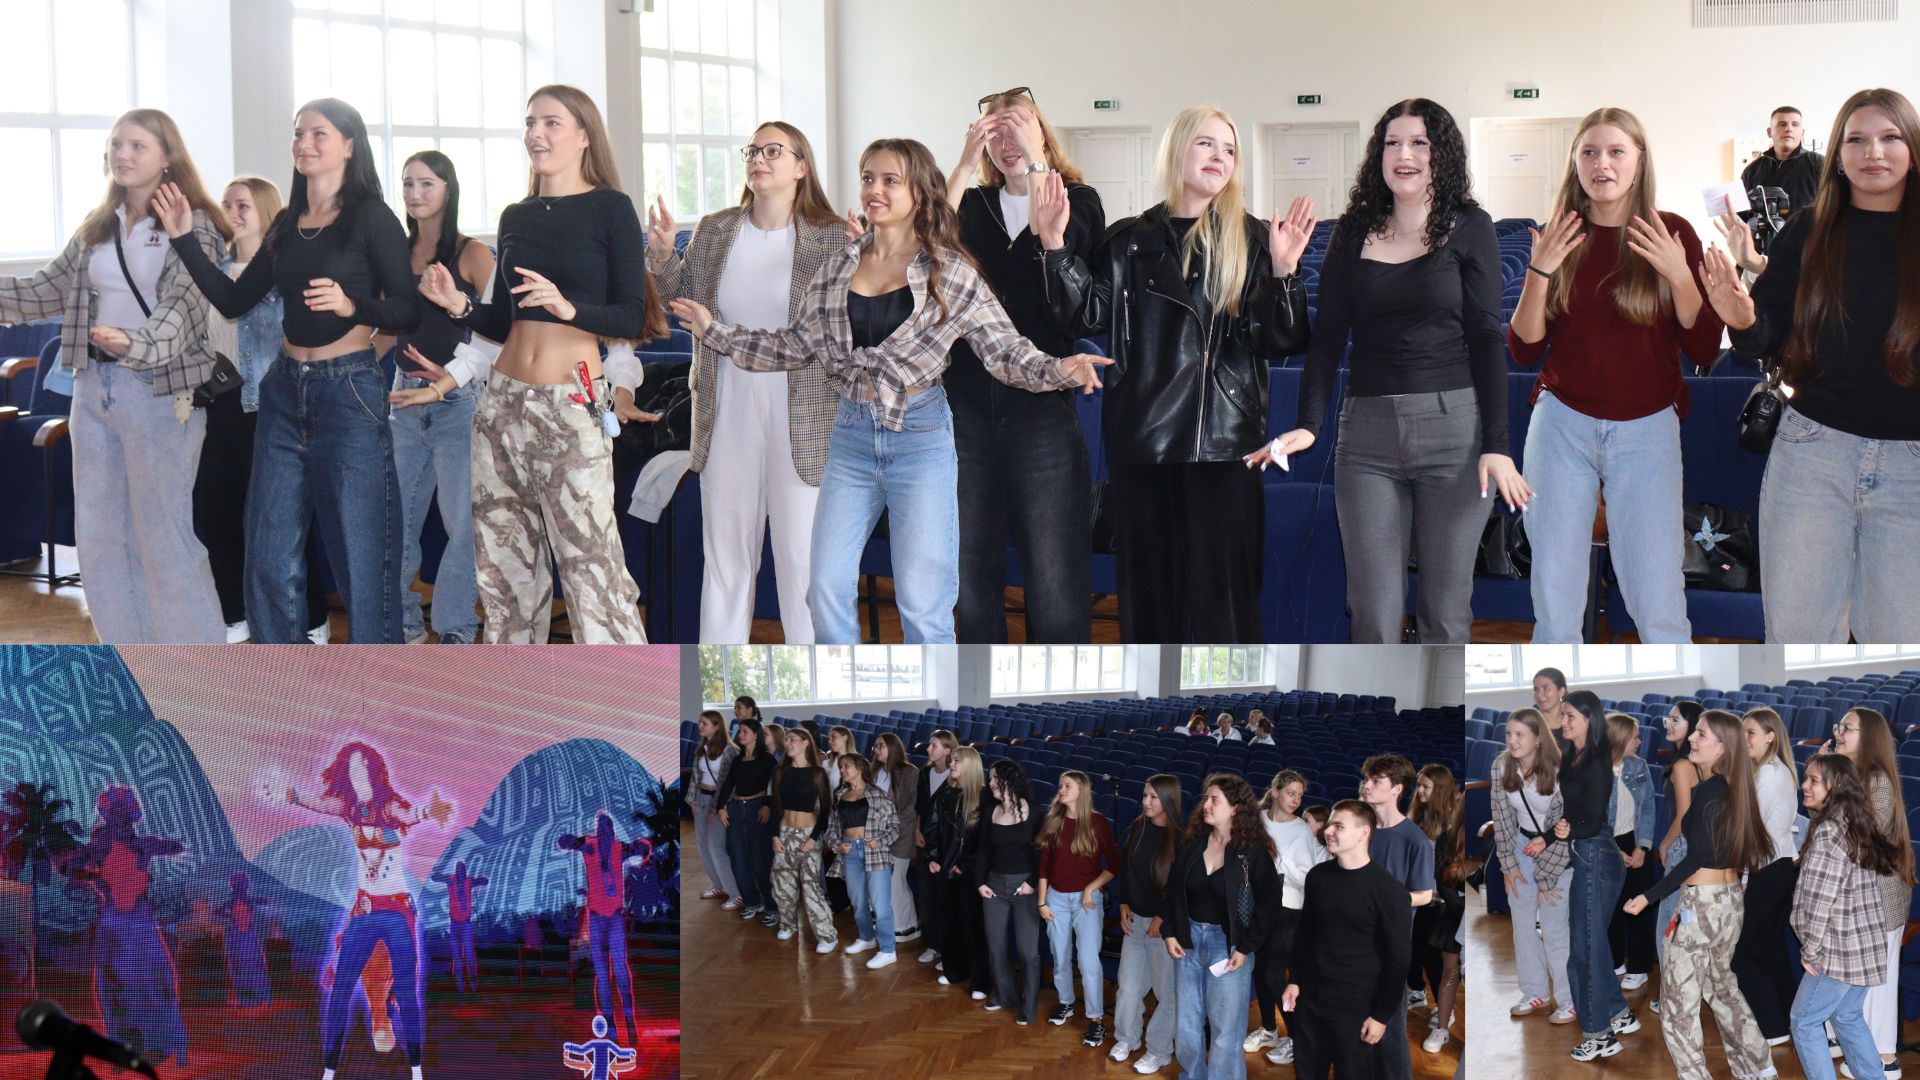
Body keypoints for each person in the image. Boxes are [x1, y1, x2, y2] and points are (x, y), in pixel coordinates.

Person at [671, 139, 1110, 643]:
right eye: (867, 178)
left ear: (919, 193)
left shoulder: (951, 271)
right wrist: (716, 332)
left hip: (920, 437)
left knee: (923, 604)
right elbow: (793, 345)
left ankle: (935, 694)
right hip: (851, 437)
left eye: (889, 180)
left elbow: (1005, 353)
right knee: (824, 589)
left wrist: (1060, 369)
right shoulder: (837, 268)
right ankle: (846, 686)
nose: (874, 190)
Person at [1041, 105, 1314, 642]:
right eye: (1206, 144)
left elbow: (1278, 341)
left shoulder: (1253, 239)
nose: (1220, 157)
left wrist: (1284, 273)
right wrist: (1054, 245)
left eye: (1229, 150)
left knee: (1224, 607)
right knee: (1152, 609)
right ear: (1177, 150)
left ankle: (1231, 693)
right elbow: (1082, 316)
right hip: (1145, 443)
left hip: (1225, 444)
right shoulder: (1128, 241)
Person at [158, 98, 420, 643]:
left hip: (349, 391)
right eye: (299, 133)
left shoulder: (372, 217)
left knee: (362, 556)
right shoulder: (286, 222)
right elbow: (234, 300)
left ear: (349, 145)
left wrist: (354, 306)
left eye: (319, 133)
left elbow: (407, 310)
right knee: (270, 555)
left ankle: (381, 680)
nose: (304, 143)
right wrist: (184, 239)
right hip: (283, 390)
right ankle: (287, 674)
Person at [416, 85, 662, 643]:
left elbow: (630, 315)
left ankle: (622, 690)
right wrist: (458, 305)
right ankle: (517, 690)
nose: (536, 134)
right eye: (531, 122)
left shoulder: (611, 208)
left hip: (571, 403)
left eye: (552, 123)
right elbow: (505, 320)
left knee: (593, 570)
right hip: (501, 404)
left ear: (583, 136)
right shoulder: (516, 216)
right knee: (505, 577)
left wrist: (570, 308)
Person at [1269, 98, 1516, 643]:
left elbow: (1485, 337)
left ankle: (1439, 701)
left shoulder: (1470, 226)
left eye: (1419, 143)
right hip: (1367, 436)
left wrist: (1497, 445)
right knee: (1372, 612)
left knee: (1444, 611)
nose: (1404, 154)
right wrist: (1309, 422)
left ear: (1441, 154)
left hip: (1453, 434)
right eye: (1392, 143)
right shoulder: (1354, 230)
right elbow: (1328, 336)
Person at [0, 109, 232, 644]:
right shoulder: (98, 225)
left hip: (160, 390)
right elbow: (45, 290)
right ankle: (125, 659)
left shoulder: (193, 222)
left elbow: (185, 305)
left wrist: (136, 344)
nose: (121, 155)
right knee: (100, 538)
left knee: (164, 538)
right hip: (93, 389)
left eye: (136, 145)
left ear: (167, 155)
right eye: (115, 145)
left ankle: (198, 667)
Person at [1704, 88, 1920, 643]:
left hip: (1912, 466)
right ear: (1838, 155)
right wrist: (1742, 318)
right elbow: (1769, 334)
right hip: (1813, 452)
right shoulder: (1808, 228)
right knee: (1798, 635)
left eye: (1890, 137)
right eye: (1857, 139)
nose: (1874, 152)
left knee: (1899, 642)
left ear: (1913, 148)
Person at [1508, 107, 1723, 644]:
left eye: (1615, 151)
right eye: (1589, 152)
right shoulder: (1561, 233)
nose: (1601, 164)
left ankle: (1675, 692)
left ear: (1639, 161)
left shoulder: (1672, 232)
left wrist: (1679, 274)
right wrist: (1539, 271)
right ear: (1575, 162)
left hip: (1647, 428)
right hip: (1562, 424)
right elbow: (1523, 348)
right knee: (1555, 595)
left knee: (1657, 594)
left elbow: (1703, 348)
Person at [645, 121, 845, 643]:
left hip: (803, 409)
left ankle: (814, 676)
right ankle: (719, 680)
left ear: (801, 167)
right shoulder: (716, 229)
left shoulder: (832, 236)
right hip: (727, 400)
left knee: (802, 560)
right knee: (726, 558)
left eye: (773, 150)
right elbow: (680, 300)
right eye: (753, 150)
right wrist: (663, 257)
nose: (759, 158)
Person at [943, 87, 1104, 642]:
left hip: (1041, 406)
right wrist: (964, 164)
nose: (1006, 142)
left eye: (1018, 128)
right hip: (966, 404)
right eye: (995, 134)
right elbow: (925, 246)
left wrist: (1037, 163)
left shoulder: (1079, 199)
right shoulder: (971, 205)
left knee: (1054, 578)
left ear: (1041, 133)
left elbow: (1063, 266)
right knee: (971, 576)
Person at [197, 174, 333, 644]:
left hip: (270, 404)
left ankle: (311, 618)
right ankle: (235, 614)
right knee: (217, 515)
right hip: (218, 405)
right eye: (226, 204)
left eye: (243, 205)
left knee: (283, 520)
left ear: (266, 211)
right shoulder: (212, 269)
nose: (232, 213)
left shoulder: (283, 270)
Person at [379, 150, 496, 644]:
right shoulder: (396, 254)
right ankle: (405, 624)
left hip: (458, 401)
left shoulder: (472, 253)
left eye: (426, 183)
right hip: (405, 399)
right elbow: (386, 329)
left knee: (461, 525)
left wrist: (447, 378)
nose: (415, 193)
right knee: (396, 522)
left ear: (448, 189)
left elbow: (497, 329)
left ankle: (454, 628)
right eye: (408, 183)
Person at [1621, 710, 1776, 1080]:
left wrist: (1648, 896)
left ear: (1722, 747)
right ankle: (1759, 1067)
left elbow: (1696, 858)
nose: (1692, 738)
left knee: (1678, 1004)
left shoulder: (1711, 792)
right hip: (1729, 900)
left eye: (1701, 734)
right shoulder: (1734, 788)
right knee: (1722, 988)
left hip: (1702, 904)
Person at [287, 743, 452, 1080]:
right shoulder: (348, 808)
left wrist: (428, 812)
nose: (356, 772)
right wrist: (290, 794)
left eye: (362, 765)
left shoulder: (389, 805)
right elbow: (319, 803)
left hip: (397, 910)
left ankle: (416, 1071)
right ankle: (329, 1072)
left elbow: (408, 815)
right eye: (351, 767)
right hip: (364, 909)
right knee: (340, 991)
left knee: (406, 991)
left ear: (373, 770)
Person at [1163, 773, 1283, 1080]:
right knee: (1187, 1025)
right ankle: (1192, 1075)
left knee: (1226, 1029)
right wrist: (1170, 931)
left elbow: (1269, 905)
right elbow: (1173, 890)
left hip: (1228, 946)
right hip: (1188, 940)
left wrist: (1245, 947)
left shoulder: (1253, 851)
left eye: (1215, 799)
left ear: (1235, 808)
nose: (1206, 804)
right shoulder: (1193, 843)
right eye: (1206, 798)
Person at [1790, 753, 1902, 1080]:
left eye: (1813, 780)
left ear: (1835, 786)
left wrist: (1811, 950)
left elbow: (1819, 900)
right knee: (1847, 1015)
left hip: (1838, 948)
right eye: (1806, 778)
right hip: (1863, 944)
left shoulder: (1829, 831)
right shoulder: (1854, 822)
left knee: (1804, 1021)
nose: (1805, 785)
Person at [1283, 799, 1414, 1080]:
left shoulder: (1389, 891)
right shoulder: (1318, 876)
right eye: (1329, 824)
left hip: (1357, 1007)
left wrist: (1380, 1016)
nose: (1328, 831)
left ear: (1363, 833)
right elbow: (1305, 934)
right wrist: (1295, 980)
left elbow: (1399, 960)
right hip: (1312, 1001)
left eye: (1338, 826)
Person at [62, 786, 190, 1064]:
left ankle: (156, 1043)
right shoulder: (100, 846)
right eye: (114, 811)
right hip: (115, 923)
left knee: (149, 981)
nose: (119, 818)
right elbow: (72, 869)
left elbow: (173, 847)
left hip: (138, 922)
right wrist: (83, 872)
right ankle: (127, 1043)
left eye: (124, 811)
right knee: (116, 982)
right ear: (107, 814)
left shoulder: (140, 844)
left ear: (131, 814)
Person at [1824, 706, 1917, 1074]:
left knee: (1878, 980)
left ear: (1870, 739)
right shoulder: (1852, 778)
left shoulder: (1879, 782)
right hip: (1855, 893)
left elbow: (1861, 838)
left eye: (1848, 728)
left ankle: (1884, 1059)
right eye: (1840, 726)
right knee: (1848, 972)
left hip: (1880, 897)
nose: (1839, 732)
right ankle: (1843, 1037)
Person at [1553, 690, 1639, 1060]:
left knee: (1582, 954)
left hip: (1595, 857)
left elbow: (1592, 821)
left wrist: (1569, 830)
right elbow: (1575, 813)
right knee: (1594, 946)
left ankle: (1600, 1036)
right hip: (1589, 855)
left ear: (1590, 719)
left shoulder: (1596, 761)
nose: (1564, 721)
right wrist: (1555, 834)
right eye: (1563, 715)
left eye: (1570, 715)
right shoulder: (1573, 755)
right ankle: (1619, 1012)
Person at [1491, 707, 1572, 1021]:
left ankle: (1568, 999)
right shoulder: (1501, 765)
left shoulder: (1559, 769)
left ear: (1538, 739)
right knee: (1522, 924)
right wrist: (1509, 866)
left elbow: (1565, 826)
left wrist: (1546, 877)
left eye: (1519, 734)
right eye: (1508, 734)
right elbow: (1502, 819)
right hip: (1521, 847)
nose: (1512, 740)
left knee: (1553, 928)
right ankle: (1535, 991)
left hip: (1558, 850)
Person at [1358, 753, 1433, 1080]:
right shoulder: (1361, 830)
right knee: (1356, 1031)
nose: (1367, 785)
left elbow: (1425, 894)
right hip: (1353, 945)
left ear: (1397, 789)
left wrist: (1385, 901)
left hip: (1389, 948)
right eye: (1366, 779)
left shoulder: (1414, 838)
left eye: (1376, 781)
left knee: (1389, 1033)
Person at [1247, 769, 1327, 1065]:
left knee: (1273, 974)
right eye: (1291, 793)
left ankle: (1297, 1037)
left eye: (1299, 796)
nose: (1296, 800)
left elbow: (1308, 877)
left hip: (1288, 907)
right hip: (1257, 904)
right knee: (1260, 972)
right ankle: (1269, 1029)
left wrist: (1277, 861)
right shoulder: (1257, 819)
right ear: (1275, 791)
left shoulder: (1300, 830)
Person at [1035, 769, 1120, 1047]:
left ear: (1081, 791)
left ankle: (1096, 1020)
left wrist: (1090, 888)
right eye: (1060, 786)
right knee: (1059, 956)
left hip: (1087, 901)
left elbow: (1114, 865)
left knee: (1088, 961)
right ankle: (1066, 1002)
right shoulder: (1054, 820)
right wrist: (1042, 902)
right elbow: (1044, 866)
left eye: (1067, 786)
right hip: (1056, 899)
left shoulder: (1098, 822)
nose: (1060, 790)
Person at [1734, 706, 1802, 1045]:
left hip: (1769, 869)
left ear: (1770, 737)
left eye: (1750, 732)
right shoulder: (1767, 770)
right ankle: (1791, 1019)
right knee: (1770, 948)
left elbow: (1753, 829)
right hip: (1775, 867)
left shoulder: (1772, 774)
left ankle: (1773, 1027)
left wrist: (1745, 877)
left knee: (1742, 952)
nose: (1744, 738)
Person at [1111, 774, 1184, 1072]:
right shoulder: (1137, 828)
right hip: (1135, 922)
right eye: (1144, 795)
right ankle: (1127, 1038)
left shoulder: (1181, 839)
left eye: (1153, 797)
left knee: (1167, 994)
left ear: (1168, 800)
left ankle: (1160, 1050)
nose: (1146, 802)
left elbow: (1181, 886)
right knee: (1128, 987)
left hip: (1162, 930)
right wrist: (1123, 901)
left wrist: (1163, 916)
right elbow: (1125, 869)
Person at [558, 811, 645, 1047]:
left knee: (620, 970)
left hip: (614, 917)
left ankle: (629, 1019)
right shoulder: (590, 845)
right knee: (602, 975)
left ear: (613, 831)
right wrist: (572, 842)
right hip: (596, 918)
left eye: (608, 829)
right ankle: (610, 1025)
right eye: (600, 829)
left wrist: (641, 847)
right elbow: (565, 842)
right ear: (597, 831)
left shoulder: (619, 848)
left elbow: (641, 850)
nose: (604, 833)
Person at [976, 759, 1044, 1025]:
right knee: (996, 947)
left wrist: (1033, 882)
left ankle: (1029, 1005)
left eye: (995, 778)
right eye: (990, 778)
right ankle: (1006, 996)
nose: (990, 783)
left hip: (1025, 888)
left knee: (1028, 951)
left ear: (1010, 779)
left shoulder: (1035, 811)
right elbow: (983, 851)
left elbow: (1046, 854)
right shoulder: (990, 811)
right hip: (994, 885)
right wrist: (980, 882)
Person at [826, 751, 901, 969]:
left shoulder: (878, 795)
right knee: (858, 902)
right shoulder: (839, 795)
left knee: (880, 905)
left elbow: (895, 826)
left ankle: (888, 950)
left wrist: (880, 842)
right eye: (841, 766)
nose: (842, 770)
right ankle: (867, 937)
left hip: (874, 853)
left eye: (846, 766)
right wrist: (837, 845)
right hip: (850, 853)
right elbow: (831, 829)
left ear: (859, 768)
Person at [928, 745, 991, 1000]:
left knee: (972, 926)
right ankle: (954, 971)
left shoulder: (985, 798)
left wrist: (965, 864)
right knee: (948, 922)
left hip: (971, 872)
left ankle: (980, 982)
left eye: (956, 760)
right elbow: (933, 828)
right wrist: (933, 857)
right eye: (951, 759)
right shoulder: (945, 794)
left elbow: (986, 840)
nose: (951, 764)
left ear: (970, 765)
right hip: (946, 868)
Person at [1410, 765, 1466, 1054]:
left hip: (1446, 901)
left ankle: (1445, 1013)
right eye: (1419, 785)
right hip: (1429, 899)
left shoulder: (1453, 826)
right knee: (1426, 956)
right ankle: (1436, 1014)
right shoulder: (1418, 818)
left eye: (1426, 786)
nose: (1420, 791)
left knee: (1443, 963)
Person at [1603, 712, 1657, 993]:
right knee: (1610, 908)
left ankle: (1639, 967)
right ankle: (1614, 961)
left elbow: (1648, 808)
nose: (1639, 741)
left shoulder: (1639, 766)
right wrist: (1613, 850)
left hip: (1634, 840)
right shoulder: (1595, 771)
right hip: (1605, 844)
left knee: (1639, 907)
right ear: (1620, 739)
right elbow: (1594, 818)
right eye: (1635, 737)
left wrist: (1642, 846)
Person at [769, 727, 836, 951]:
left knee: (810, 887)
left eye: (792, 740)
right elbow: (774, 805)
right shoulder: (780, 771)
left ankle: (827, 936)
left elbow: (826, 809)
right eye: (786, 740)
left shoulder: (818, 773)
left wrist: (814, 838)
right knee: (782, 884)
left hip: (809, 835)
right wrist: (775, 836)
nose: (787, 743)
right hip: (784, 832)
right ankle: (787, 924)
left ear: (805, 742)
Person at [1654, 700, 1706, 974]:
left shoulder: (1683, 765)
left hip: (1683, 846)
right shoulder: (1694, 762)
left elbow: (1683, 817)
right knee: (1683, 924)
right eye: (1669, 718)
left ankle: (1671, 991)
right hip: (1694, 845)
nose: (1668, 724)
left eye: (1676, 720)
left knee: (1669, 925)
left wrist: (1664, 843)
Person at [717, 717, 777, 927]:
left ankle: (772, 907)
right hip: (736, 810)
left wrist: (767, 805)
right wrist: (721, 807)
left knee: (761, 861)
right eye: (739, 731)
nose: (740, 735)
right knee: (738, 859)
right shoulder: (737, 760)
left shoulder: (767, 759)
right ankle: (751, 902)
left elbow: (774, 786)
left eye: (744, 731)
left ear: (755, 735)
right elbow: (728, 785)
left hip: (757, 809)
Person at [870, 732, 922, 947]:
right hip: (875, 836)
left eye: (880, 746)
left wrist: (890, 828)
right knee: (878, 883)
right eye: (875, 746)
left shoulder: (910, 771)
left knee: (895, 881)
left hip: (901, 834)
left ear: (893, 748)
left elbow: (912, 807)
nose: (876, 749)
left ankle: (906, 927)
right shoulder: (874, 772)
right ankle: (884, 925)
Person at [914, 728, 957, 965]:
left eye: (934, 745)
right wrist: (916, 830)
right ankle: (932, 944)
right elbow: (920, 808)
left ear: (947, 750)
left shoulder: (955, 776)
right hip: (924, 843)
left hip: (945, 846)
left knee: (944, 899)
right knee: (927, 896)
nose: (928, 749)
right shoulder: (924, 773)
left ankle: (947, 948)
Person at [690, 710, 740, 906]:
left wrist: (717, 806)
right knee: (703, 846)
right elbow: (696, 776)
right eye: (699, 722)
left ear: (717, 726)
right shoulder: (702, 748)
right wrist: (693, 801)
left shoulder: (730, 751)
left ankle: (735, 893)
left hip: (719, 802)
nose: (700, 726)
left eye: (704, 723)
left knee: (716, 847)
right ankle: (718, 884)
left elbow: (730, 783)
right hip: (701, 799)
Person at [1741, 106, 1827, 218]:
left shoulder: (1818, 163)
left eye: (1795, 124)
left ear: (1802, 133)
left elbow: (1833, 204)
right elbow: (1742, 214)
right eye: (1782, 124)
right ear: (1769, 132)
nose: (1789, 129)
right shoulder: (1753, 170)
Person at [430, 860, 487, 996]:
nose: (461, 873)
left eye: (463, 870)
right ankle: (460, 988)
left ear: (465, 871)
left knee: (469, 956)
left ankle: (473, 986)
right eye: (458, 870)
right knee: (457, 958)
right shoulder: (451, 880)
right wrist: (439, 874)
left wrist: (482, 879)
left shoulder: (468, 881)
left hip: (466, 924)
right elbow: (434, 877)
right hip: (454, 924)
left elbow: (483, 881)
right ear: (456, 871)